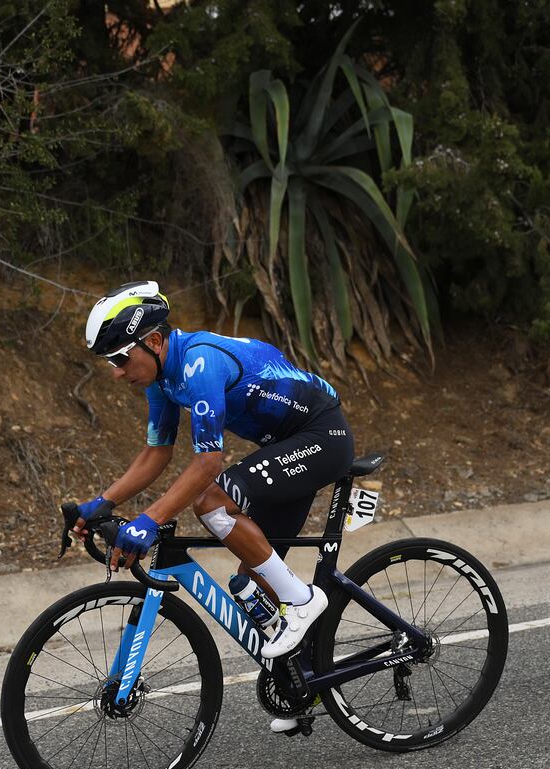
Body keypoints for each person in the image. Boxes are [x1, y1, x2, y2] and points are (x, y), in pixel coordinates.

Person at [71, 280, 355, 678]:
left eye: (119, 358)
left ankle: (304, 601)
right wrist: (102, 503)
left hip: (322, 437)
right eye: (110, 363)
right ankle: (306, 680)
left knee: (211, 502)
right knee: (252, 585)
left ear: (153, 341)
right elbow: (158, 453)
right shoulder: (163, 381)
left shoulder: (199, 364)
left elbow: (209, 462)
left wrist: (149, 521)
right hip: (287, 445)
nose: (117, 373)